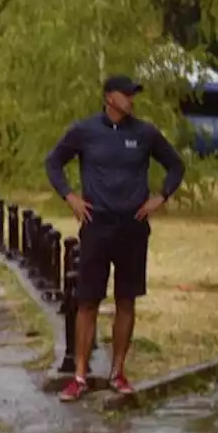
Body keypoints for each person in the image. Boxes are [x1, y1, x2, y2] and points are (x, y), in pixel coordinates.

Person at [44, 74, 185, 402]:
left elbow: (176, 166)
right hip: (97, 226)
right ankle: (79, 376)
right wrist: (70, 197)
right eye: (126, 94)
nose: (131, 99)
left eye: (133, 94)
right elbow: (53, 162)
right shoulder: (85, 131)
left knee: (126, 300)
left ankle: (117, 372)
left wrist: (160, 197)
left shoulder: (145, 133)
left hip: (133, 229)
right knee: (88, 301)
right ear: (109, 97)